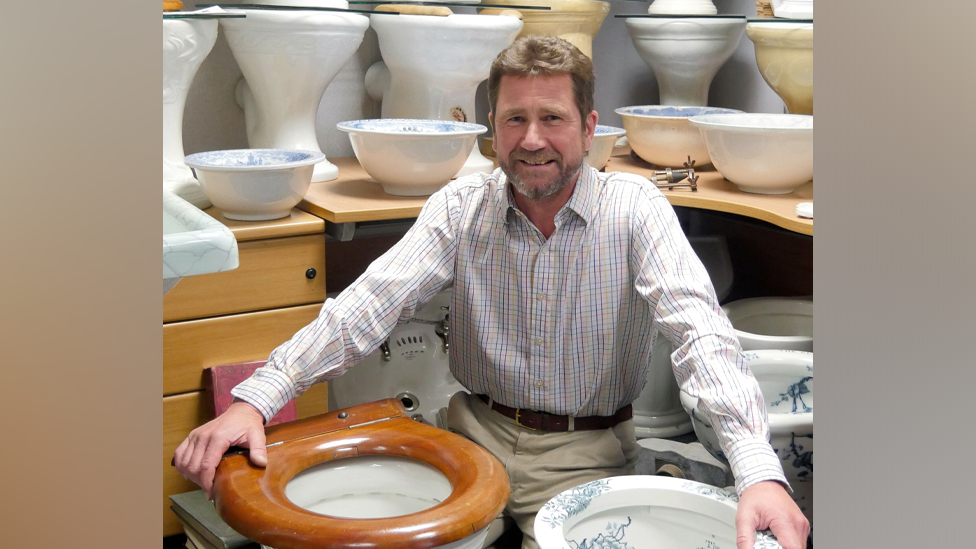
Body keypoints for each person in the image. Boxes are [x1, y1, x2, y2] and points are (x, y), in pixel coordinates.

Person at [174, 35, 810, 549]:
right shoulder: (461, 206)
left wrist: (759, 473)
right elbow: (369, 304)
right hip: (470, 434)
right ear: (493, 128)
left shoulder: (634, 209)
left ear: (589, 128)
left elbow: (701, 334)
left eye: (552, 118)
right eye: (515, 119)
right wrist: (257, 399)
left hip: (584, 452)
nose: (532, 139)